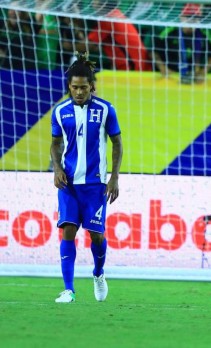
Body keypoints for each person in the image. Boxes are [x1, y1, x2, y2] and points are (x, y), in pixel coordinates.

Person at [50, 52, 123, 303]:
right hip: (69, 183)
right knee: (68, 231)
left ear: (92, 86)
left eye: (83, 87)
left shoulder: (105, 110)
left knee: (96, 235)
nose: (79, 92)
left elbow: (117, 143)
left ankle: (98, 273)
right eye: (74, 88)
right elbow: (55, 144)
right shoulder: (60, 111)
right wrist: (57, 169)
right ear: (69, 87)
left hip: (95, 184)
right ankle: (68, 289)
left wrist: (114, 178)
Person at [151, 3, 211, 84]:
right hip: (171, 75)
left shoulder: (204, 34)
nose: (192, 21)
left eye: (195, 18)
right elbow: (153, 52)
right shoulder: (170, 31)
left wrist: (203, 72)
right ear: (181, 17)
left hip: (194, 76)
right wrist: (163, 68)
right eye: (188, 17)